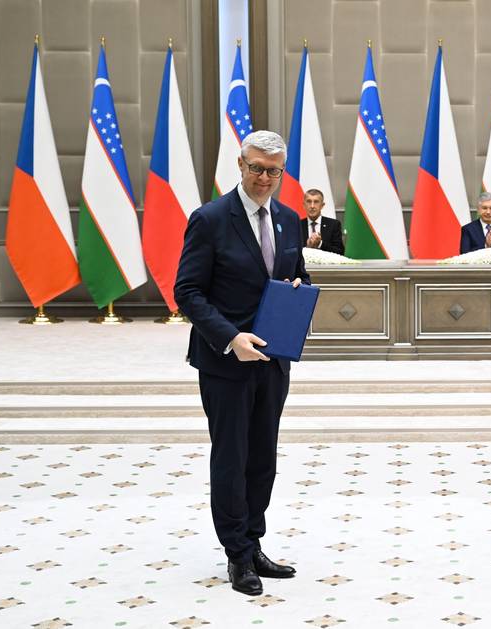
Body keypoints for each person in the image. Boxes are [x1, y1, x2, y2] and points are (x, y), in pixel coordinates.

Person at [174, 130, 310, 596]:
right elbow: (187, 292)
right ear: (240, 164)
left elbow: (296, 274)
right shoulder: (210, 219)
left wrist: (297, 288)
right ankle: (236, 555)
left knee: (262, 458)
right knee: (231, 458)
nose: (264, 178)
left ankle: (253, 542)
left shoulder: (288, 219)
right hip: (226, 362)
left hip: (273, 360)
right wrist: (231, 337)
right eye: (256, 168)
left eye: (274, 171)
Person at [299, 189, 345, 255]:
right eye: (309, 202)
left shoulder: (333, 225)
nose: (312, 206)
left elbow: (340, 252)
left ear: (322, 205)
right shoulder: (297, 225)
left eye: (316, 202)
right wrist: (307, 247)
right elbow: (291, 251)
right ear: (304, 205)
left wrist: (320, 244)